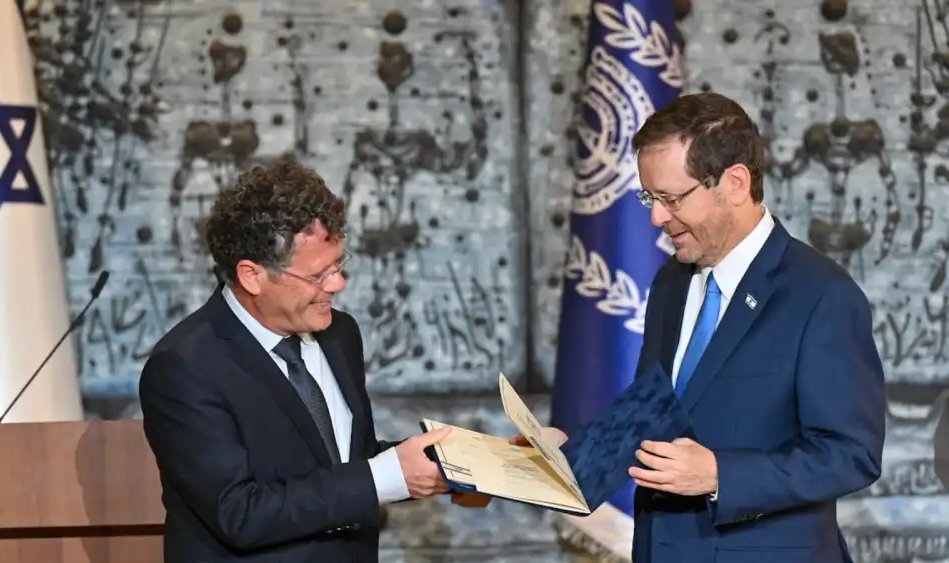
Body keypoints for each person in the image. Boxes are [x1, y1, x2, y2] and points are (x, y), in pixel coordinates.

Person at [469, 92, 887, 562]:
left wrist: (720, 476)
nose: (656, 218)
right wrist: (571, 450)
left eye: (671, 198)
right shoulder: (672, 281)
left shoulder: (822, 295)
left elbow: (852, 454)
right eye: (649, 197)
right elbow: (658, 411)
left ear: (734, 182)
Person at [138, 156, 454, 562]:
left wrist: (462, 464)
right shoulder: (184, 367)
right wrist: (385, 477)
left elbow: (341, 462)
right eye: (318, 276)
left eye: (339, 266)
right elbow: (239, 513)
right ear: (252, 275)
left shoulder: (340, 333)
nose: (338, 284)